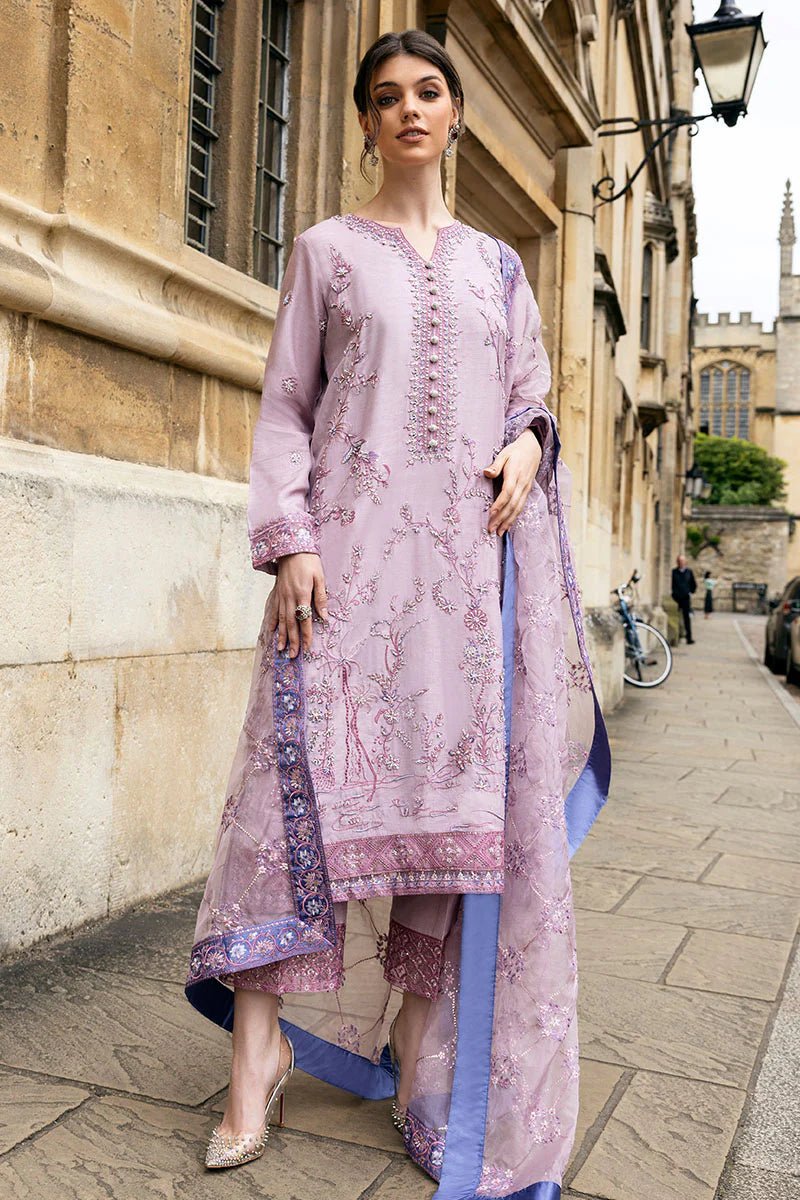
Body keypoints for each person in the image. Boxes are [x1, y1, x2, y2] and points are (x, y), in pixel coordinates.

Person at [184, 28, 611, 1196]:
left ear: (457, 114)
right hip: (344, 571)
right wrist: (291, 545)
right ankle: (255, 1057)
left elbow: (530, 393)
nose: (408, 110)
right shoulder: (325, 251)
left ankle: (419, 1052)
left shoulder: (497, 270)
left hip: (468, 590)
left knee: (448, 822)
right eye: (385, 97)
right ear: (365, 123)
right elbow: (283, 409)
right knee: (285, 803)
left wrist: (530, 442)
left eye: (428, 92)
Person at [671, 554, 697, 643]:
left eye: (682, 561)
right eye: (679, 561)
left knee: (687, 618)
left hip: (686, 597)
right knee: (676, 617)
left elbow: (693, 584)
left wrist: (690, 592)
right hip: (676, 598)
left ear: (685, 562)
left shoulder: (689, 572)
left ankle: (689, 638)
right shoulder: (674, 572)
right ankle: (677, 636)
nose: (681, 563)